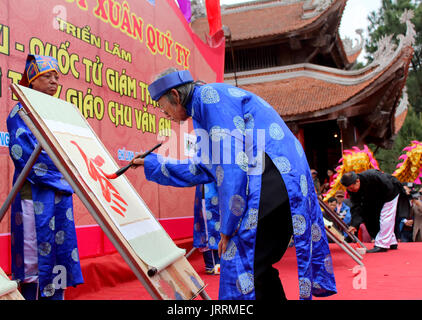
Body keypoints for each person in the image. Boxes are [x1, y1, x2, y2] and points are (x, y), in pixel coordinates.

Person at [131, 68, 336, 300]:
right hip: (277, 176)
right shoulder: (202, 108)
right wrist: (151, 164)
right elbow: (204, 168)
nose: (163, 113)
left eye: (162, 105)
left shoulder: (209, 99)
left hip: (273, 173)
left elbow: (232, 167)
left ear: (176, 96)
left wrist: (228, 228)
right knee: (256, 264)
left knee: (242, 259)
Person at [7, 54, 83, 299]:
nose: (54, 81)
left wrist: (69, 169)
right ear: (32, 79)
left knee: (61, 247)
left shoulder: (59, 112)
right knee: (33, 253)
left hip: (60, 192)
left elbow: (72, 148)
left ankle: (56, 297)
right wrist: (64, 174)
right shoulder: (20, 111)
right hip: (34, 191)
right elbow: (24, 154)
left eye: (57, 77)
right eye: (47, 76)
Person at [340, 170, 405, 253]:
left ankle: (382, 245)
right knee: (372, 217)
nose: (352, 191)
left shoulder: (372, 175)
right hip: (376, 198)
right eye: (349, 189)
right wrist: (354, 225)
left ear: (357, 181)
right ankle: (391, 242)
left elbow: (388, 184)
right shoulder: (352, 190)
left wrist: (380, 203)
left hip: (390, 192)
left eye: (352, 188)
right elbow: (356, 207)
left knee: (386, 217)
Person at [193, 182, 220, 274]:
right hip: (207, 192)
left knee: (216, 227)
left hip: (217, 190)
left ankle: (217, 265)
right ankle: (212, 265)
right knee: (208, 228)